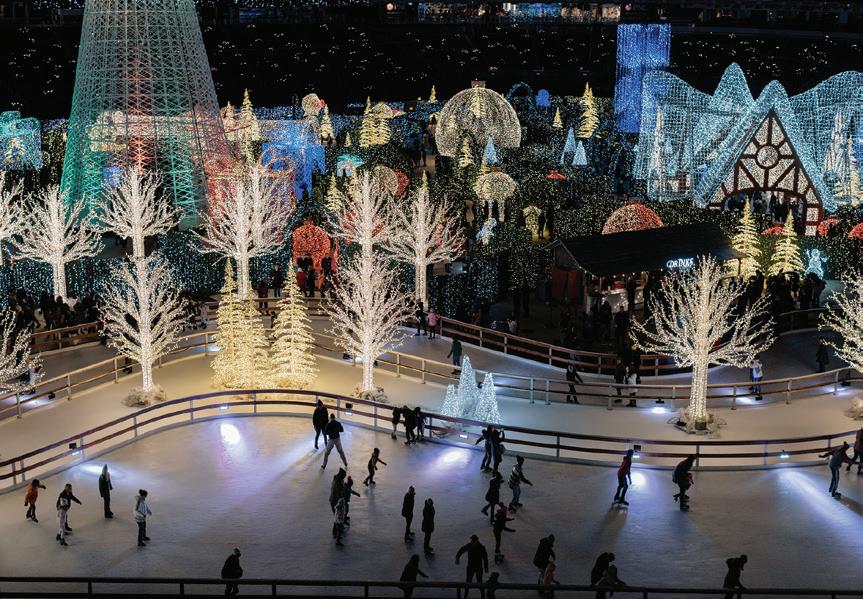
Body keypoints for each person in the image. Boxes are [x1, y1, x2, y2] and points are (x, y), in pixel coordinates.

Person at [455, 534, 489, 599]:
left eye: (473, 541)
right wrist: (457, 557)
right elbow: (462, 550)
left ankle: (483, 596)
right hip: (470, 567)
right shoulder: (469, 545)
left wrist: (486, 568)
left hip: (478, 567)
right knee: (468, 582)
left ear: (476, 541)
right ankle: (466, 595)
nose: (472, 542)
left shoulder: (481, 547)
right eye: (471, 540)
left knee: (479, 582)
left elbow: (485, 558)